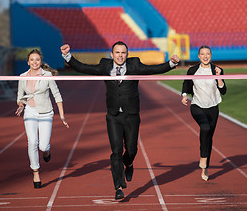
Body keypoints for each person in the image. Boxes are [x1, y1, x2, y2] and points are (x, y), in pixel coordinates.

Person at [60, 41, 179, 200]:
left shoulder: (135, 65)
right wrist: (68, 56)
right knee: (116, 151)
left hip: (132, 115)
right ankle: (118, 187)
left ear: (127, 54)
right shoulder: (104, 66)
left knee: (131, 149)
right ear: (112, 54)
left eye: (123, 53)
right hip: (113, 116)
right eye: (117, 52)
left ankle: (129, 164)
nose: (120, 55)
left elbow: (153, 69)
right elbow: (82, 67)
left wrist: (171, 63)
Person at [15, 49, 69, 189]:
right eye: (32, 60)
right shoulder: (22, 76)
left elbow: (56, 95)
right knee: (32, 142)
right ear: (28, 62)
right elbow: (20, 96)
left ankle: (47, 151)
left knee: (43, 145)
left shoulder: (47, 75)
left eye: (37, 59)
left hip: (46, 112)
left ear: (41, 61)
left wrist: (62, 115)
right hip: (30, 112)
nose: (34, 62)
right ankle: (36, 171)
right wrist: (21, 105)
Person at [181, 45, 226, 181]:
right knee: (204, 128)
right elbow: (186, 85)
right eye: (202, 54)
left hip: (213, 107)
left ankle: (204, 166)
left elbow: (223, 91)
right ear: (199, 56)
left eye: (208, 54)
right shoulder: (192, 70)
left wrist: (218, 77)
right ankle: (203, 157)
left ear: (211, 55)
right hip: (197, 105)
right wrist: (184, 95)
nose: (205, 56)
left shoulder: (217, 70)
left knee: (208, 138)